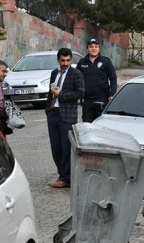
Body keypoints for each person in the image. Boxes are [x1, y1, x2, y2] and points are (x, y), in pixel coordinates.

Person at [46, 48, 85, 189]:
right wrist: (48, 110)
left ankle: (66, 178)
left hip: (67, 116)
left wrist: (61, 95)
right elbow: (50, 93)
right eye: (63, 60)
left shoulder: (76, 74)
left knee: (66, 147)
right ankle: (62, 175)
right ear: (58, 59)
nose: (65, 63)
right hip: (53, 113)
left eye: (68, 60)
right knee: (55, 148)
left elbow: (80, 93)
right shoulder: (54, 73)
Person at [77, 38, 117, 122]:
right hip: (87, 100)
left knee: (101, 123)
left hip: (102, 98)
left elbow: (113, 78)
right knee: (87, 124)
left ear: (99, 48)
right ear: (87, 49)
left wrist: (112, 94)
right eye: (91, 47)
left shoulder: (106, 61)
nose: (94, 49)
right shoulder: (82, 62)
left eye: (96, 46)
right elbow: (76, 79)